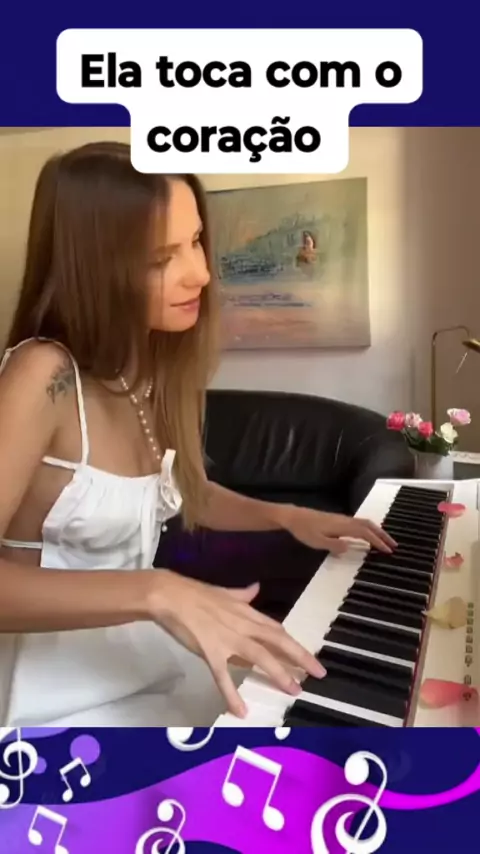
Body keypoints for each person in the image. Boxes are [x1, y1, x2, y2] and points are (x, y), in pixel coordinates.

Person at [0, 142, 396, 727]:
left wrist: (288, 516)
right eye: (163, 257)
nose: (202, 274)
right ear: (93, 264)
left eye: (195, 242)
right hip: (43, 699)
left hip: (135, 660)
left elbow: (179, 491)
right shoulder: (42, 373)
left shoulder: (148, 374)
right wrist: (159, 590)